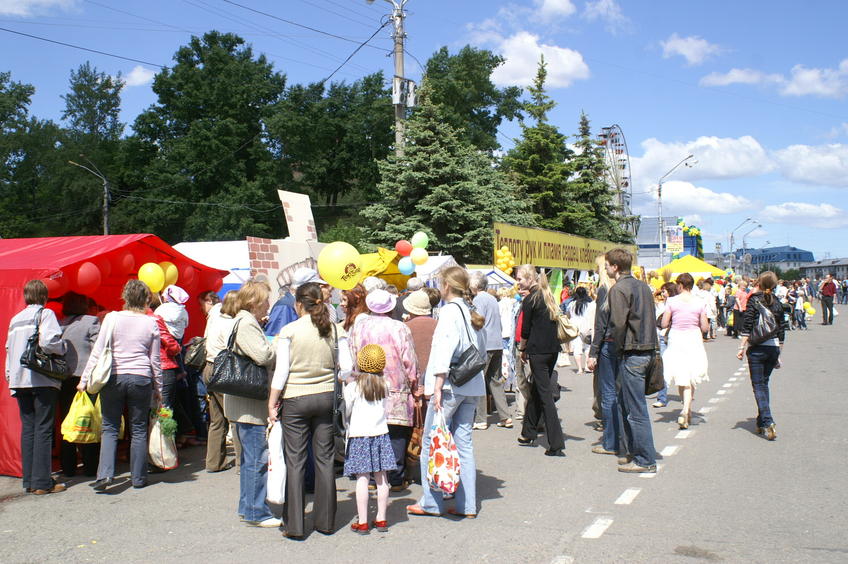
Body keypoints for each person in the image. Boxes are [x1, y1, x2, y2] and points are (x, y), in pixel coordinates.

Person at [267, 282, 352, 539]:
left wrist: (272, 402)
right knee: (325, 459)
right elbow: (347, 367)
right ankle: (325, 521)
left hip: (295, 399)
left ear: (298, 304)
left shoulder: (290, 331)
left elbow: (282, 371)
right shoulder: (334, 329)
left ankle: (294, 524)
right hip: (325, 397)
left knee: (296, 460)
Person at [407, 267, 485, 518]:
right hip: (471, 383)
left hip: (451, 384)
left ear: (447, 286)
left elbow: (443, 348)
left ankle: (432, 501)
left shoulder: (450, 311)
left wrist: (437, 385)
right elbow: (480, 349)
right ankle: (467, 504)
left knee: (431, 441)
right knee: (463, 443)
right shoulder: (470, 310)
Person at [80, 280, 161, 491]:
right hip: (141, 377)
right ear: (145, 299)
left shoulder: (112, 318)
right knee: (139, 428)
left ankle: (105, 475)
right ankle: (138, 478)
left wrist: (84, 379)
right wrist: (159, 389)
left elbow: (98, 351)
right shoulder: (151, 323)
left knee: (109, 427)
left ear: (125, 296)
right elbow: (155, 360)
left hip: (114, 377)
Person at [348, 289, 419, 492]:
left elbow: (352, 353)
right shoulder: (400, 327)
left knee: (370, 430)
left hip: (367, 384)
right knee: (396, 432)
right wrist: (415, 383)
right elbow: (409, 359)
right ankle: (395, 478)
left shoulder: (359, 327)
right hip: (395, 386)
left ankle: (371, 476)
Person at [221, 281, 278, 527]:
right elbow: (264, 355)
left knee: (249, 460)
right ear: (254, 302)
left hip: (243, 404)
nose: (268, 305)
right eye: (265, 300)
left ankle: (248, 506)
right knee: (257, 459)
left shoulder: (242, 321)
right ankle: (257, 511)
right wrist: (277, 344)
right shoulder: (246, 323)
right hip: (250, 405)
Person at [6, 280, 68, 495]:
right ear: (44, 296)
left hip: (19, 380)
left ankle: (30, 480)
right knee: (43, 429)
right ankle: (42, 483)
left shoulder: (15, 319)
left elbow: (9, 350)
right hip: (41, 379)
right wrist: (63, 347)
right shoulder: (45, 314)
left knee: (29, 429)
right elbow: (49, 342)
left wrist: (10, 377)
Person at [605, 249, 659, 473]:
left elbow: (618, 324)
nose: (606, 269)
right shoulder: (643, 286)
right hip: (647, 349)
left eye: (607, 265)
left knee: (635, 410)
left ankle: (645, 460)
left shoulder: (619, 289)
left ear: (615, 267)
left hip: (632, 351)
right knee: (627, 404)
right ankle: (632, 451)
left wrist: (616, 348)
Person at [344, 344, 396, 534]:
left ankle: (363, 521)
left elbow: (347, 410)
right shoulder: (385, 385)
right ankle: (381, 518)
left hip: (359, 435)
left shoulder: (353, 387)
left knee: (362, 479)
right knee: (382, 478)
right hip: (380, 434)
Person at [514, 265, 565, 457]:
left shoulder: (531, 299)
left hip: (538, 351)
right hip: (552, 350)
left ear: (529, 278)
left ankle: (556, 444)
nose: (518, 283)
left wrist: (522, 349)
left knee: (545, 396)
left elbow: (525, 330)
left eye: (520, 279)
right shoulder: (547, 295)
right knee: (537, 390)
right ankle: (528, 433)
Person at [737, 271, 788, 440]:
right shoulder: (777, 302)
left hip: (757, 348)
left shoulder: (754, 300)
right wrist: (779, 353)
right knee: (764, 384)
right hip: (773, 348)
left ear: (759, 283)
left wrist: (741, 347)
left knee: (758, 385)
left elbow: (747, 324)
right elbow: (781, 329)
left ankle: (767, 420)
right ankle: (761, 421)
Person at [58, 292, 101, 478]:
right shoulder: (91, 321)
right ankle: (91, 467)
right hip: (85, 379)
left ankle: (68, 467)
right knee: (88, 421)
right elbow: (98, 348)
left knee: (68, 423)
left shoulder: (60, 324)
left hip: (64, 379)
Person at [661, 274, 710, 430]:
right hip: (693, 338)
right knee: (690, 375)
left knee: (681, 374)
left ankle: (685, 409)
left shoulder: (672, 301)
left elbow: (664, 323)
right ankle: (685, 410)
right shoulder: (700, 302)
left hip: (676, 338)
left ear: (680, 285)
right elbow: (705, 327)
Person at [470, 272, 512, 430]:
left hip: (485, 344)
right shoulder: (492, 298)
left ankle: (481, 418)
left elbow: (478, 321)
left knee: (480, 381)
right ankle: (505, 416)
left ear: (475, 284)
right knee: (495, 380)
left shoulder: (479, 299)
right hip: (497, 343)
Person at [203, 290, 239, 472]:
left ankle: (214, 462)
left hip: (209, 368)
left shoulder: (215, 319)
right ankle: (243, 463)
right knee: (236, 417)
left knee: (216, 419)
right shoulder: (231, 324)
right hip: (223, 370)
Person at [587, 257, 620, 455]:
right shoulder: (625, 287)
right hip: (625, 344)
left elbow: (600, 324)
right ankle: (621, 435)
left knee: (607, 393)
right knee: (620, 392)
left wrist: (593, 352)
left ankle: (610, 441)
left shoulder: (604, 289)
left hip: (608, 344)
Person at [651, 283, 679, 409]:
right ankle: (662, 398)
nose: (662, 293)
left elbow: (664, 323)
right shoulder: (664, 303)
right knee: (664, 368)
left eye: (664, 291)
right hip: (665, 337)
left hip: (670, 336)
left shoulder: (673, 304)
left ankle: (685, 392)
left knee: (670, 368)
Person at [566, 286, 595, 374]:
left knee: (577, 348)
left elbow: (568, 315)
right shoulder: (589, 304)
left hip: (575, 328)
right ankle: (587, 366)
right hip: (586, 327)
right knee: (587, 347)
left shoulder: (572, 304)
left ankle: (579, 369)